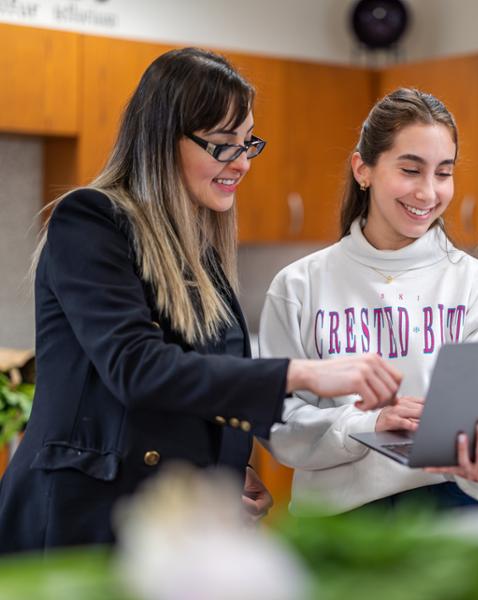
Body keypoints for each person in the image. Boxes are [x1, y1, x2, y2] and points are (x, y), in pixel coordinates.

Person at [0, 48, 401, 553]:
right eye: (221, 145)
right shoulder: (91, 220)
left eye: (247, 143)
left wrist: (227, 468)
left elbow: (206, 377)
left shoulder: (198, 245)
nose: (241, 163)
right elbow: (139, 368)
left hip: (169, 519)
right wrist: (298, 372)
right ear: (161, 141)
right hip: (83, 521)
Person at [259, 88, 478, 516]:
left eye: (443, 172)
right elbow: (276, 421)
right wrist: (369, 425)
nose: (427, 192)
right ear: (363, 169)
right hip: (338, 526)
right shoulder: (298, 286)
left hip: (453, 513)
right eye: (410, 169)